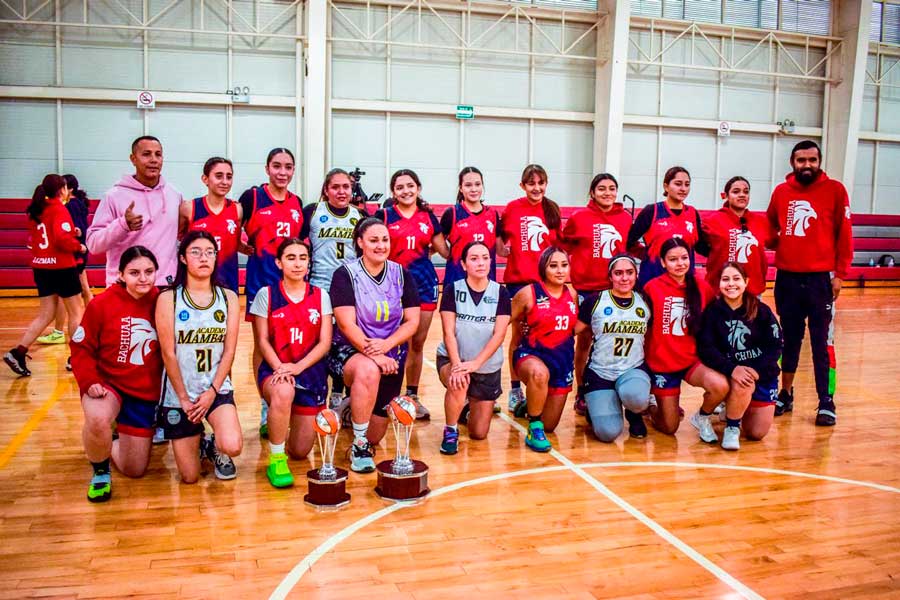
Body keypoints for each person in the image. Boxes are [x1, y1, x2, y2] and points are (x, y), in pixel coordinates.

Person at [766, 140, 853, 426]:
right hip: (787, 278)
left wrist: (839, 274)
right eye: (801, 160)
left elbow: (845, 236)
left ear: (819, 161)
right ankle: (785, 393)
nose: (807, 165)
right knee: (788, 340)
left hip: (821, 280)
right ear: (792, 162)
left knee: (821, 343)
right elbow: (768, 228)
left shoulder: (835, 190)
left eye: (812, 160)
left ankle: (826, 400)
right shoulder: (781, 192)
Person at [70, 246, 163, 502]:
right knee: (98, 418)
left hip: (143, 393)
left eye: (149, 271)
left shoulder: (162, 302)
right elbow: (80, 347)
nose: (142, 278)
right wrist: (89, 381)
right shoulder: (101, 304)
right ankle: (100, 471)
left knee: (135, 470)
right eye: (134, 272)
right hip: (108, 384)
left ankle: (115, 436)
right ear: (121, 274)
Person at [328, 218, 420, 473]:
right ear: (360, 242)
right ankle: (357, 445)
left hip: (391, 353)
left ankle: (351, 407)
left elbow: (412, 322)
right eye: (373, 240)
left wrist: (386, 346)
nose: (380, 245)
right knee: (368, 371)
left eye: (385, 240)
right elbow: (347, 325)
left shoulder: (402, 274)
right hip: (349, 350)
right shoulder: (345, 274)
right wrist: (375, 355)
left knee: (376, 436)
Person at [156, 231, 242, 483]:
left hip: (214, 388)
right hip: (179, 393)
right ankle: (201, 443)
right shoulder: (168, 298)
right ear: (183, 258)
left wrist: (212, 392)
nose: (203, 258)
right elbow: (168, 353)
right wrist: (183, 397)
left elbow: (229, 351)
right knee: (190, 477)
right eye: (195, 252)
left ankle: (216, 446)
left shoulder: (228, 298)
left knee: (233, 445)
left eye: (209, 252)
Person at [251, 238, 332, 488]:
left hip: (310, 375)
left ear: (309, 263)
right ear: (279, 262)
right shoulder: (267, 294)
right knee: (284, 390)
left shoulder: (320, 295)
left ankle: (284, 425)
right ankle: (276, 458)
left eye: (302, 258)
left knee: (300, 451)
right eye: (290, 258)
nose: (297, 264)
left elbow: (324, 343)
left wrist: (298, 367)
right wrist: (281, 368)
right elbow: (262, 341)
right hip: (276, 370)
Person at [238, 148, 304, 438]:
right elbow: (229, 229)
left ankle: (289, 399)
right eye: (277, 166)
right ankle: (267, 406)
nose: (282, 172)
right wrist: (243, 248)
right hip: (260, 284)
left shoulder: (297, 203)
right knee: (263, 345)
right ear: (267, 168)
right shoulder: (251, 198)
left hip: (290, 285)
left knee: (289, 343)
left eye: (288, 167)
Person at [374, 169, 449, 420]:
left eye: (410, 186)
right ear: (393, 192)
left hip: (424, 285)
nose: (406, 191)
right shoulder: (384, 215)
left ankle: (412, 396)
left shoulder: (428, 217)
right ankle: (388, 397)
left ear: (418, 188)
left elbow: (445, 251)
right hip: (391, 286)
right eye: (399, 187)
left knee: (416, 343)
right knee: (394, 343)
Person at [562, 173, 634, 416]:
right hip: (587, 290)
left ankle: (608, 387)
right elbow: (566, 246)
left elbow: (629, 249)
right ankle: (581, 390)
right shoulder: (579, 217)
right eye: (601, 188)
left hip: (614, 290)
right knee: (585, 340)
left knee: (609, 341)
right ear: (592, 193)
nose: (607, 193)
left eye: (612, 188)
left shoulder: (624, 218)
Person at [643, 237, 727, 435]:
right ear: (663, 262)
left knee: (720, 386)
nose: (680, 263)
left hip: (690, 361)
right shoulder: (652, 288)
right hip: (661, 364)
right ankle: (651, 406)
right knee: (669, 428)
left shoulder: (701, 287)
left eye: (684, 258)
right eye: (673, 259)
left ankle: (702, 416)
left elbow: (716, 321)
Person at [4, 174, 86, 377]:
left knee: (46, 314)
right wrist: (79, 246)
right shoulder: (59, 208)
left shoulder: (37, 211)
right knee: (77, 311)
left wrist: (71, 233)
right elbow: (60, 239)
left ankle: (18, 352)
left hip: (42, 267)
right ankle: (76, 358)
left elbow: (44, 237)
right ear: (62, 190)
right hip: (62, 267)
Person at [697, 262, 782, 450]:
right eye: (725, 279)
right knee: (744, 382)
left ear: (746, 282)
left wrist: (757, 370)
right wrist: (732, 369)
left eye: (736, 279)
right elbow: (706, 349)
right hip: (732, 374)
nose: (731, 284)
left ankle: (734, 408)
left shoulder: (761, 310)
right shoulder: (712, 313)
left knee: (756, 433)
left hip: (762, 374)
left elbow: (775, 345)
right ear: (718, 284)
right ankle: (732, 428)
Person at [436, 241, 511, 455]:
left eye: (485, 258)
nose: (481, 263)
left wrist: (476, 363)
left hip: (486, 367)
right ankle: (450, 431)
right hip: (454, 359)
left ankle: (466, 408)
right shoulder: (452, 290)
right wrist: (458, 365)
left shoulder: (501, 293)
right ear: (463, 264)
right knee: (459, 380)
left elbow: (500, 334)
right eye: (474, 258)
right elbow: (448, 332)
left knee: (479, 433)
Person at [300, 168, 365, 409]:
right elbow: (297, 245)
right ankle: (316, 393)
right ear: (326, 190)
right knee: (320, 342)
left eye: (345, 187)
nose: (341, 191)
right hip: (319, 287)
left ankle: (342, 395)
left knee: (347, 340)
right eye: (335, 187)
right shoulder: (313, 212)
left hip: (350, 288)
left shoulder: (359, 216)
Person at [500, 164, 563, 413]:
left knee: (540, 335)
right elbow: (500, 236)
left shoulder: (552, 211)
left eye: (540, 183)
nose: (536, 188)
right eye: (531, 183)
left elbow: (558, 249)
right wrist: (501, 247)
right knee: (518, 334)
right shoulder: (513, 209)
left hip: (543, 284)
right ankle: (515, 389)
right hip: (517, 281)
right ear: (522, 185)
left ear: (546, 184)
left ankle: (537, 384)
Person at [573, 255, 651, 442]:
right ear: (610, 277)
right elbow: (574, 336)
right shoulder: (595, 302)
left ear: (636, 274)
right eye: (618, 273)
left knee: (636, 396)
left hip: (632, 368)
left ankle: (633, 414)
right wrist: (581, 387)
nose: (624, 278)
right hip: (600, 372)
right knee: (607, 433)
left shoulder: (645, 301)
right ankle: (598, 405)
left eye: (629, 273)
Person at [87, 136, 182, 286]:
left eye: (158, 154)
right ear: (133, 159)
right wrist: (122, 225)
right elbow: (93, 245)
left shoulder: (174, 195)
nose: (153, 159)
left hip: (164, 285)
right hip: (125, 286)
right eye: (146, 154)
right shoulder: (114, 196)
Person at [511, 246, 577, 452]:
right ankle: (533, 428)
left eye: (564, 265)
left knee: (550, 425)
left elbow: (572, 328)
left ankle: (530, 405)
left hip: (561, 361)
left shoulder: (572, 294)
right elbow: (508, 330)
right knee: (539, 374)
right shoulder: (527, 294)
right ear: (543, 269)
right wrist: (514, 385)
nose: (560, 271)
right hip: (531, 355)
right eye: (553, 266)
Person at [36, 174, 94, 350]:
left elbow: (64, 234)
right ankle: (69, 330)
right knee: (82, 290)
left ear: (68, 188)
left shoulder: (70, 206)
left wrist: (77, 244)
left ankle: (63, 332)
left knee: (72, 296)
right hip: (76, 251)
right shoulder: (77, 204)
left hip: (73, 253)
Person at [627, 166, 707, 288]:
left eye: (687, 184)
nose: (683, 189)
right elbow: (628, 241)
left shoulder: (692, 213)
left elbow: (700, 246)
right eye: (678, 184)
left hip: (683, 285)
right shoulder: (651, 211)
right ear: (666, 186)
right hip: (653, 281)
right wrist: (647, 254)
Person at [702, 176, 774, 298]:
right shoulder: (711, 221)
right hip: (720, 291)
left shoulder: (761, 222)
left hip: (752, 291)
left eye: (746, 192)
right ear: (725, 195)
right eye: (736, 192)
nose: (742, 195)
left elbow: (774, 242)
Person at [179, 157, 242, 293]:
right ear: (205, 179)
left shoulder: (237, 209)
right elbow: (180, 238)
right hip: (197, 282)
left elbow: (235, 242)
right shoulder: (189, 208)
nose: (224, 181)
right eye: (218, 176)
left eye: (229, 177)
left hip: (228, 281)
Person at [440, 167, 504, 285]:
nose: (474, 189)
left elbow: (501, 250)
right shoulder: (452, 213)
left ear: (482, 186)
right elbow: (438, 246)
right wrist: (453, 256)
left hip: (487, 283)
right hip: (457, 281)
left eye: (477, 184)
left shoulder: (492, 215)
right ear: (460, 188)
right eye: (468, 185)